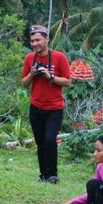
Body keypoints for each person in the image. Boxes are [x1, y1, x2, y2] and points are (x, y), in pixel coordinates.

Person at [21, 24, 72, 184]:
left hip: (54, 108)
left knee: (50, 139)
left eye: (38, 40)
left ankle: (52, 174)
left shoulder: (59, 57)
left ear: (46, 39)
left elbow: (67, 81)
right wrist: (32, 73)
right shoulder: (30, 58)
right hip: (36, 107)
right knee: (40, 142)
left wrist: (50, 76)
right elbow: (24, 83)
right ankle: (43, 174)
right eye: (32, 41)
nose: (35, 43)